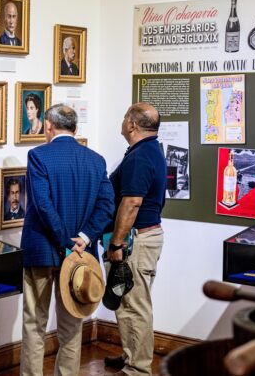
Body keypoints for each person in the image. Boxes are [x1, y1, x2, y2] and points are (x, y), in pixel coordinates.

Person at [20, 104, 114, 376]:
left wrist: (65, 241)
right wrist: (83, 238)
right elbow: (107, 205)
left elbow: (43, 205)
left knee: (34, 324)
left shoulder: (38, 156)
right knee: (72, 326)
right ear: (76, 129)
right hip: (81, 258)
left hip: (42, 250)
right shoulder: (96, 161)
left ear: (48, 126)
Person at [103, 102, 167, 376]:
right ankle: (134, 355)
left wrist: (117, 243)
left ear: (132, 124)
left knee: (133, 305)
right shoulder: (148, 150)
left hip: (134, 241)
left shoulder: (140, 157)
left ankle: (138, 369)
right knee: (133, 302)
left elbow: (131, 203)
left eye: (124, 117)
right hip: (144, 238)